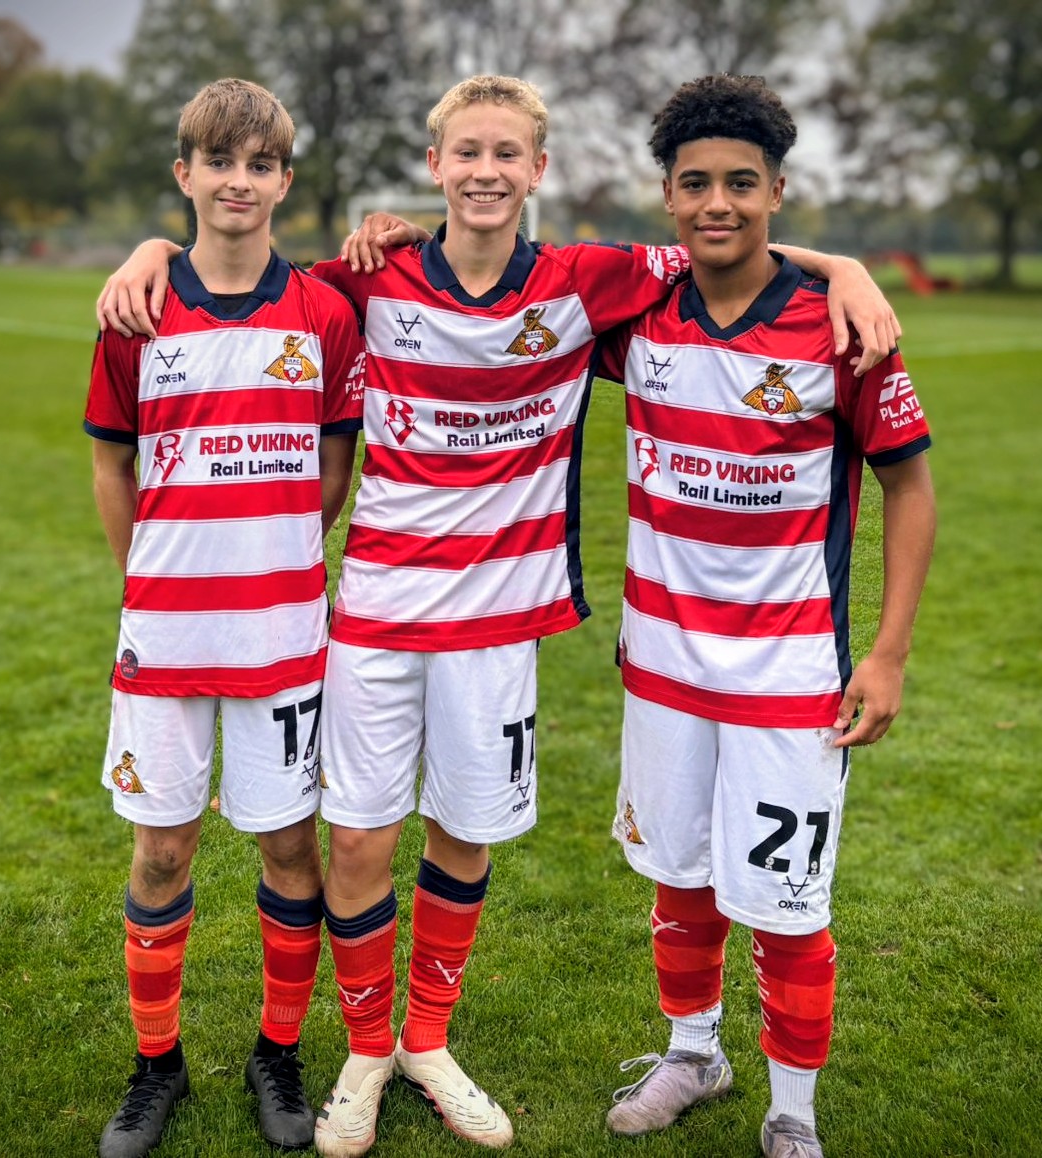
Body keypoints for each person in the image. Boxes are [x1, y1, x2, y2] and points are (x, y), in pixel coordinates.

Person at [95, 75, 900, 1157]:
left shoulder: (585, 282)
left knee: (464, 841)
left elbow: (725, 244)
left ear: (538, 169)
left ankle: (428, 1044)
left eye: (504, 154)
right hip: (374, 615)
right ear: (434, 166)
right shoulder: (367, 281)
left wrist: (840, 263)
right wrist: (150, 249)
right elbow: (243, 264)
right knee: (358, 847)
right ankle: (367, 1054)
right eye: (463, 152)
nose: (483, 171)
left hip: (499, 626)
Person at [594, 75, 936, 1158]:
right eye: (694, 183)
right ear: (665, 196)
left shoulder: (837, 324)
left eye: (740, 183)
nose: (717, 203)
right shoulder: (636, 311)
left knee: (788, 905)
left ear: (777, 190)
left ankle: (792, 1113)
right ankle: (692, 1053)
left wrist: (884, 655)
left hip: (791, 674)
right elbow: (493, 271)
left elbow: (909, 489)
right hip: (661, 664)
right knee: (680, 878)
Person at [84, 78, 364, 1158]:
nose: (238, 182)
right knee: (161, 852)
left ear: (283, 182)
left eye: (259, 165)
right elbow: (112, 462)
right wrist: (146, 577)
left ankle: (275, 1053)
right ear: (186, 176)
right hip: (168, 636)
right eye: (219, 162)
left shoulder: (324, 312)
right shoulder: (137, 308)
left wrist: (275, 553)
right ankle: (156, 1066)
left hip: (283, 634)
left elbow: (332, 465)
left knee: (289, 847)